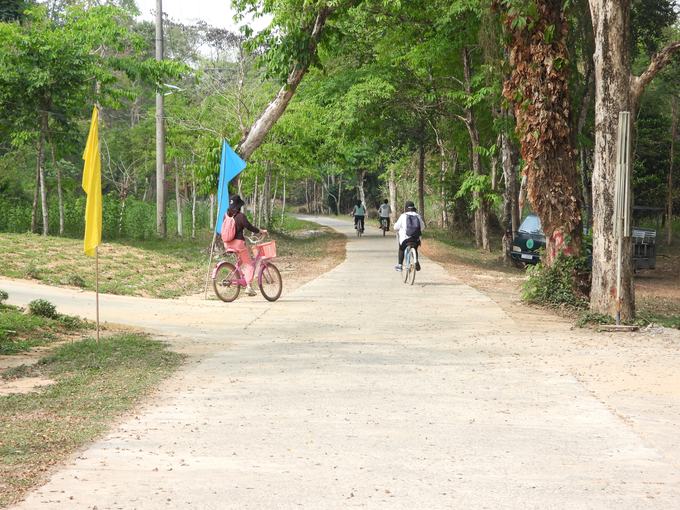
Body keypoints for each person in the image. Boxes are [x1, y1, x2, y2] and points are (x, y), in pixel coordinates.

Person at [223, 194, 268, 296]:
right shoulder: (241, 216)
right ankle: (249, 286)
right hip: (239, 244)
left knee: (241, 258)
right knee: (249, 264)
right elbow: (250, 227)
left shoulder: (225, 216)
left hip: (227, 244)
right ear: (239, 206)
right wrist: (261, 231)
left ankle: (237, 274)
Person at [393, 201, 425, 272]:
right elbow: (422, 227)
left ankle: (400, 265)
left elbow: (395, 227)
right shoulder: (417, 216)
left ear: (406, 208)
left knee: (401, 249)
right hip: (416, 239)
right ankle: (415, 260)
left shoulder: (403, 216)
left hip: (405, 238)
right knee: (415, 248)